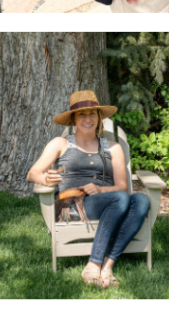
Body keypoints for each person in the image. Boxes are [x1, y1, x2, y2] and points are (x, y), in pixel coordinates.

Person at [26, 91, 150, 290]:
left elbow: (122, 187)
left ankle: (107, 265)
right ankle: (94, 264)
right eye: (81, 114)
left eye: (92, 113)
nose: (87, 119)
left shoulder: (113, 147)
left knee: (142, 200)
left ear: (98, 117)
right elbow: (32, 173)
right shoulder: (60, 143)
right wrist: (44, 179)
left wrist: (100, 189)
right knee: (120, 199)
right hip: (72, 205)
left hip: (109, 201)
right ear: (74, 119)